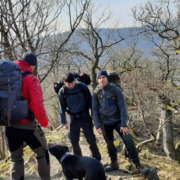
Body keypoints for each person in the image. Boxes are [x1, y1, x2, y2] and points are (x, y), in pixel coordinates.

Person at [5, 52, 51, 180]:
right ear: (32, 65)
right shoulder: (31, 78)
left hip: (8, 125)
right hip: (27, 127)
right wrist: (45, 123)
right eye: (34, 67)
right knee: (42, 153)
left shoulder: (7, 77)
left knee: (15, 159)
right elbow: (37, 103)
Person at [92, 70, 143, 172]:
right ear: (98, 80)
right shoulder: (96, 92)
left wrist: (124, 124)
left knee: (128, 140)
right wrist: (97, 126)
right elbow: (94, 109)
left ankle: (137, 165)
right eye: (100, 78)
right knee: (110, 144)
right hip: (105, 123)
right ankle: (114, 164)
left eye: (103, 77)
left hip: (118, 121)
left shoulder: (115, 89)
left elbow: (123, 107)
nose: (102, 79)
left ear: (107, 78)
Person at [58, 72, 101, 161]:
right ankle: (79, 160)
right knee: (74, 140)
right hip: (73, 118)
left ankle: (96, 158)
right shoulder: (62, 91)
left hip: (85, 115)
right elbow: (61, 107)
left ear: (75, 80)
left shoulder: (82, 87)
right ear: (65, 82)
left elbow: (90, 101)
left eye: (72, 83)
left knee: (91, 139)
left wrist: (93, 113)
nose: (71, 85)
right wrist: (64, 122)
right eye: (68, 84)